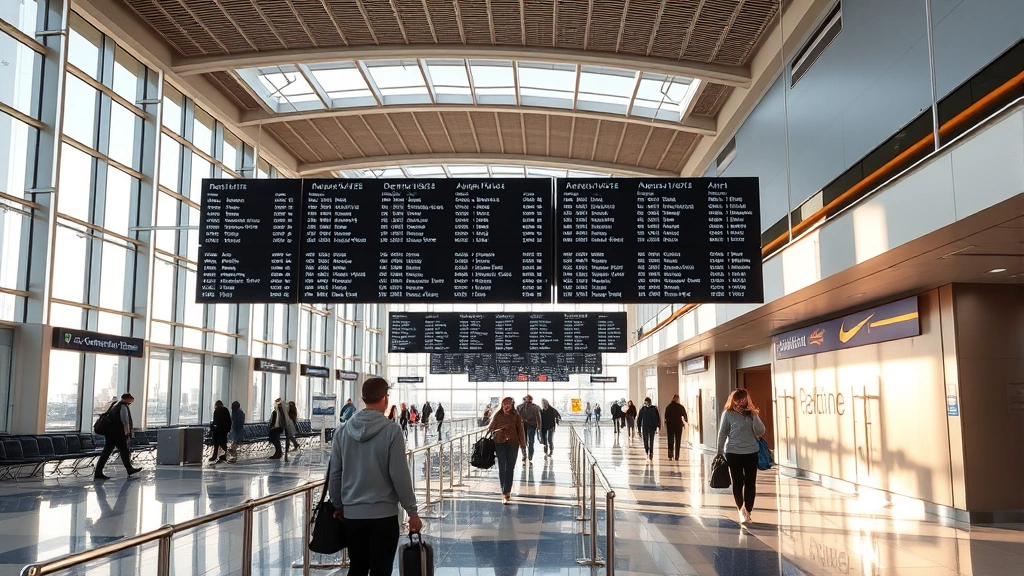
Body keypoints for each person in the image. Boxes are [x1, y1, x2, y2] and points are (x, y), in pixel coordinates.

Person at [329, 377, 422, 576]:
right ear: (383, 398)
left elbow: (335, 473)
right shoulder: (392, 431)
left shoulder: (342, 431)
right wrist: (412, 512)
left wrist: (338, 505)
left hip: (352, 515)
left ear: (363, 399)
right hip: (384, 515)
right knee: (381, 569)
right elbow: (399, 475)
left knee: (357, 567)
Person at [717, 389, 766, 525]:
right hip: (733, 453)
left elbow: (761, 431)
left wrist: (754, 415)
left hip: (751, 452)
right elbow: (722, 433)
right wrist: (719, 451)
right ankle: (740, 509)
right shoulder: (727, 414)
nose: (740, 402)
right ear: (732, 400)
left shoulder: (752, 413)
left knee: (750, 482)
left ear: (747, 399)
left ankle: (748, 511)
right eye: (737, 399)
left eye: (743, 399)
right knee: (738, 482)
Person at [487, 397, 527, 504]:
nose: (506, 406)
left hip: (513, 444)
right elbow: (490, 428)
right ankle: (504, 490)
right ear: (502, 405)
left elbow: (521, 431)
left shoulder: (516, 416)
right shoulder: (498, 415)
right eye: (504, 404)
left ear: (513, 405)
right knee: (502, 467)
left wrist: (523, 445)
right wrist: (499, 429)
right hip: (499, 443)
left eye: (509, 404)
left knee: (510, 468)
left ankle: (507, 491)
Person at [94, 393, 142, 480]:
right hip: (118, 434)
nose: (131, 402)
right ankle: (129, 469)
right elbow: (125, 420)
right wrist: (127, 432)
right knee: (123, 451)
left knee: (108, 452)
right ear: (127, 399)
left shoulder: (114, 405)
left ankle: (98, 471)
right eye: (131, 400)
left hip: (110, 434)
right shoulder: (123, 406)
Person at [515, 395, 542, 463]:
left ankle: (524, 454)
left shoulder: (519, 407)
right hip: (532, 425)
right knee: (531, 441)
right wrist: (538, 426)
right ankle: (530, 455)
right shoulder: (536, 407)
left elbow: (516, 417)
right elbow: (538, 417)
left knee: (523, 440)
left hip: (522, 425)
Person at [664, 394, 689, 461]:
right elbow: (685, 415)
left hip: (670, 426)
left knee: (670, 440)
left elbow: (665, 417)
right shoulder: (680, 407)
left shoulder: (668, 407)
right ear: (677, 399)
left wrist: (666, 423)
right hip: (678, 426)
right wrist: (685, 421)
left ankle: (670, 454)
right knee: (678, 441)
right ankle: (677, 455)